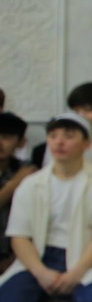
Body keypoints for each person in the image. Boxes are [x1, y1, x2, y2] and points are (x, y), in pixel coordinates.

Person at [0, 112, 92, 302]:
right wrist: (41, 273)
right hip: (39, 257)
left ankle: (58, 294)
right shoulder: (31, 184)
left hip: (81, 257)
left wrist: (75, 274)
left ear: (86, 144)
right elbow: (19, 236)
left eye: (68, 136)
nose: (59, 142)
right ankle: (46, 292)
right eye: (53, 136)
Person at [40, 82, 92, 173]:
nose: (81, 115)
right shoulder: (60, 138)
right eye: (76, 110)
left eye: (88, 110)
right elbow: (48, 169)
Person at [0, 112, 35, 271]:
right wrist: (15, 183)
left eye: (6, 137)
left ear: (21, 142)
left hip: (15, 256)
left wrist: (17, 259)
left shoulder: (27, 170)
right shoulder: (21, 175)